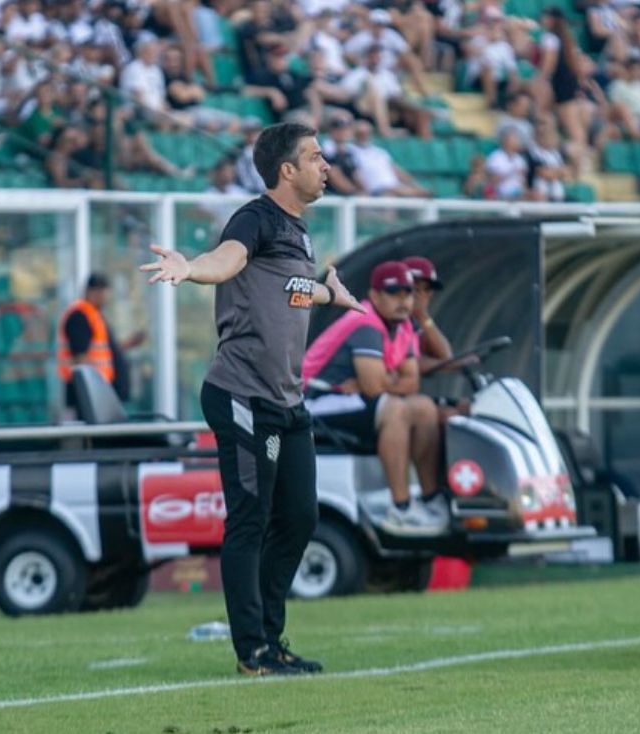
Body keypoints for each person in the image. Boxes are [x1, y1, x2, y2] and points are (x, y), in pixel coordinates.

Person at [140, 123, 363, 677]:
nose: (325, 165)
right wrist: (191, 267)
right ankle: (253, 652)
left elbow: (288, 289)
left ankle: (270, 636)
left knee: (301, 517)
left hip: (286, 402)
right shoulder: (254, 218)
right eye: (314, 157)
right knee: (250, 520)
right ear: (286, 171)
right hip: (241, 394)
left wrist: (329, 293)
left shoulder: (300, 233)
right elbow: (231, 259)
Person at [302, 260, 448, 536]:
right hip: (314, 400)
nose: (403, 300)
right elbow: (373, 387)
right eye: (394, 293)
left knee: (424, 407)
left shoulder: (402, 325)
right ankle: (401, 508)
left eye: (408, 293)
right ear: (375, 295)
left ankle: (430, 500)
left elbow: (412, 382)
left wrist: (385, 380)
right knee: (395, 409)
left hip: (350, 400)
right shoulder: (366, 321)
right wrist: (388, 381)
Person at [57, 273, 144, 415]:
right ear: (91, 292)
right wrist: (91, 388)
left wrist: (128, 344)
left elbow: (104, 350)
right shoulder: (79, 316)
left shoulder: (94, 315)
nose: (105, 297)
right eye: (102, 292)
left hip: (100, 391)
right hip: (90, 394)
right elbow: (80, 358)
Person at [403, 256, 452, 373]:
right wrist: (447, 365)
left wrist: (423, 316)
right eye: (415, 288)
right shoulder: (385, 319)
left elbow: (445, 355)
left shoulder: (412, 322)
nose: (421, 295)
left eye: (427, 290)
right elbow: (403, 364)